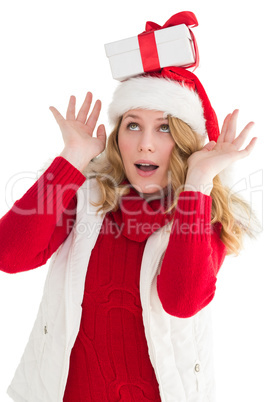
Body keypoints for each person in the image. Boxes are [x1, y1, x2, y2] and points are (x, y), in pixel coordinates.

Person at [0, 66, 259, 401]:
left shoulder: (200, 215)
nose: (145, 145)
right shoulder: (86, 196)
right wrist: (72, 158)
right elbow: (9, 254)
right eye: (132, 125)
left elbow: (182, 301)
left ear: (186, 141)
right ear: (117, 135)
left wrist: (197, 182)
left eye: (164, 128)